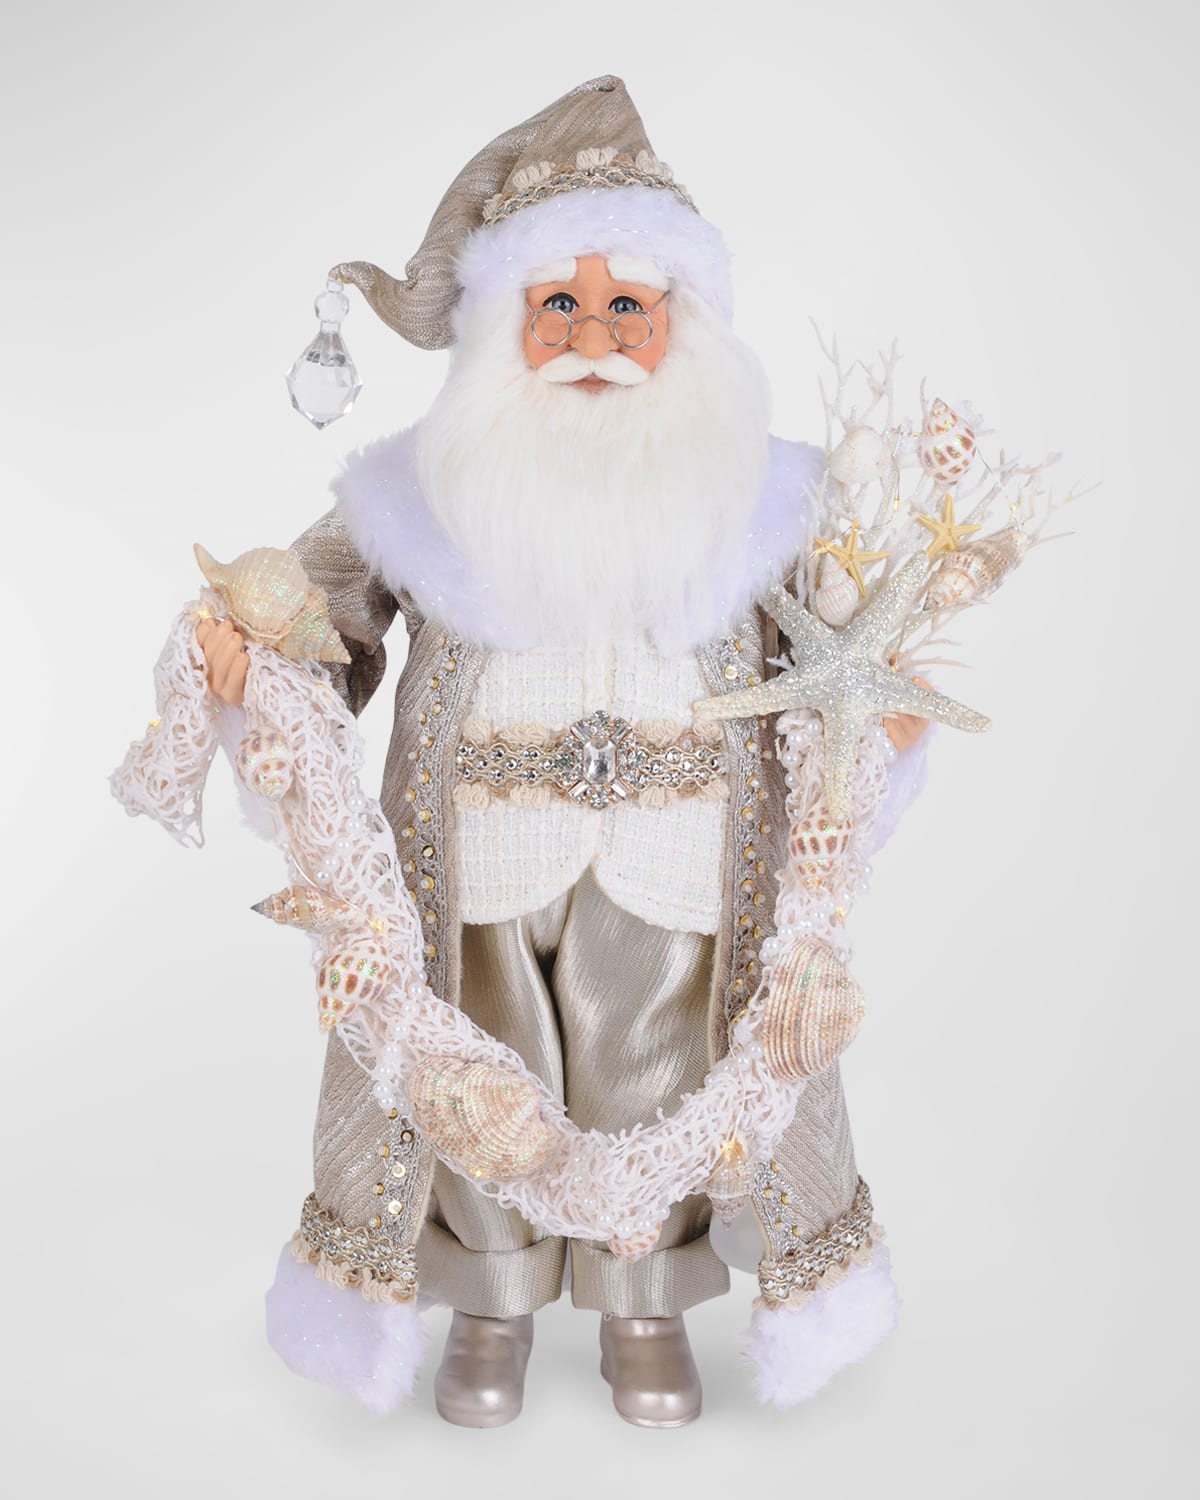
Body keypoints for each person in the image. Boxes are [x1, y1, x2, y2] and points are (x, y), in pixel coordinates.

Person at [198, 76, 928, 1429]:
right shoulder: (418, 493)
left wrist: (880, 722)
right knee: (487, 1081)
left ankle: (645, 1309)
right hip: (476, 861)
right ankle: (491, 1302)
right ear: (504, 325)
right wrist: (257, 656)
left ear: (682, 323)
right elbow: (318, 620)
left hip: (681, 858)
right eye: (558, 308)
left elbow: (841, 645)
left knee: (656, 1074)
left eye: (626, 309)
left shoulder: (767, 501)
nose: (594, 338)